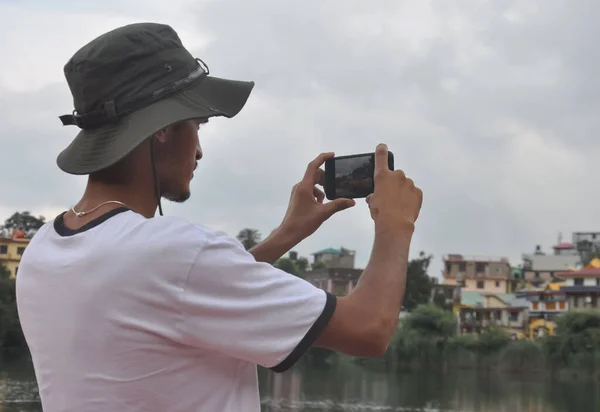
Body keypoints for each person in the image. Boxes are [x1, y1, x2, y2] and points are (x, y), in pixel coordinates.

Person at [15, 22, 423, 412]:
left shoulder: (42, 253)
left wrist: (284, 237)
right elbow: (370, 329)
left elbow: (173, 299)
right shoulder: (172, 252)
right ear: (162, 128)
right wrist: (395, 226)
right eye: (197, 124)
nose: (199, 150)